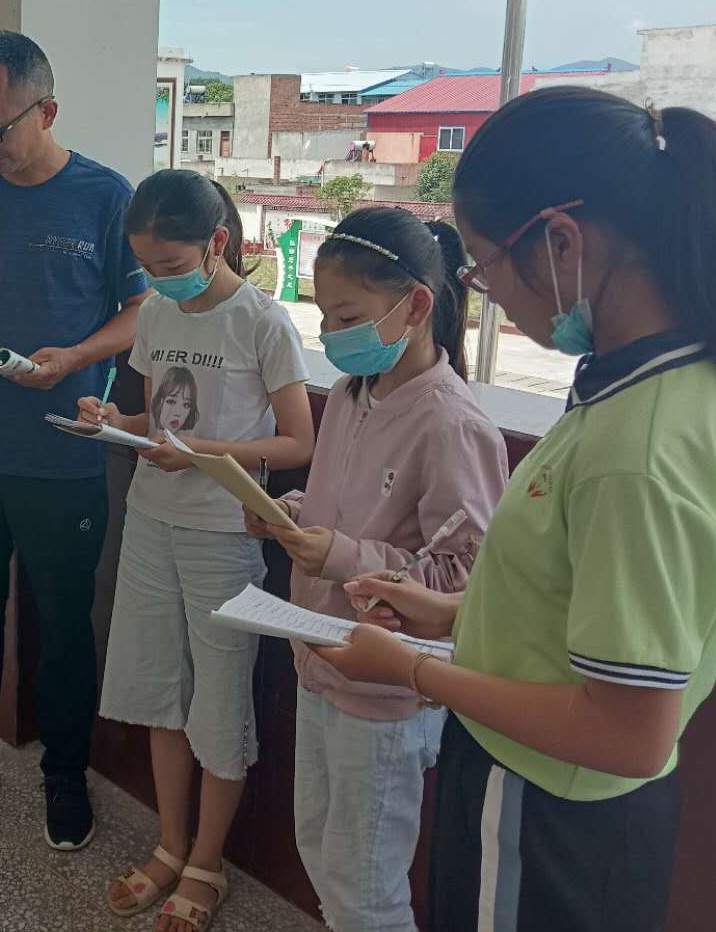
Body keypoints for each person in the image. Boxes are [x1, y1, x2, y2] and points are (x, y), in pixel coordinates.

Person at [320, 87, 716, 931]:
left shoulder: (641, 443)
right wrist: (454, 612)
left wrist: (414, 669)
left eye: (485, 270)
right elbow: (581, 599)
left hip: (546, 806)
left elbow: (627, 729)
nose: (487, 297)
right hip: (544, 787)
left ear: (562, 241)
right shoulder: (656, 379)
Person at [0, 30, 151, 849]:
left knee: (64, 623)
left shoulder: (106, 196)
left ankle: (64, 774)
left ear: (47, 110)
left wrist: (76, 357)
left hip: (61, 447)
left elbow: (140, 311)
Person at [247, 207, 509, 932]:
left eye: (348, 315)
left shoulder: (452, 423)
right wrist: (291, 512)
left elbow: (465, 579)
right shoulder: (355, 396)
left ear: (417, 305)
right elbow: (343, 503)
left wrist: (340, 554)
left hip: (388, 691)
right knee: (322, 850)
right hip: (320, 659)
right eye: (324, 316)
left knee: (366, 881)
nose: (331, 335)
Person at [82, 171, 314, 930]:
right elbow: (156, 414)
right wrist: (113, 417)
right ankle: (170, 843)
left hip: (223, 536)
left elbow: (297, 439)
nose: (160, 279)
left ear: (219, 243)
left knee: (218, 702)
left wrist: (202, 450)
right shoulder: (155, 314)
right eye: (148, 266)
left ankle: (206, 862)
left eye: (173, 264)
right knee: (159, 693)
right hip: (151, 520)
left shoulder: (262, 321)